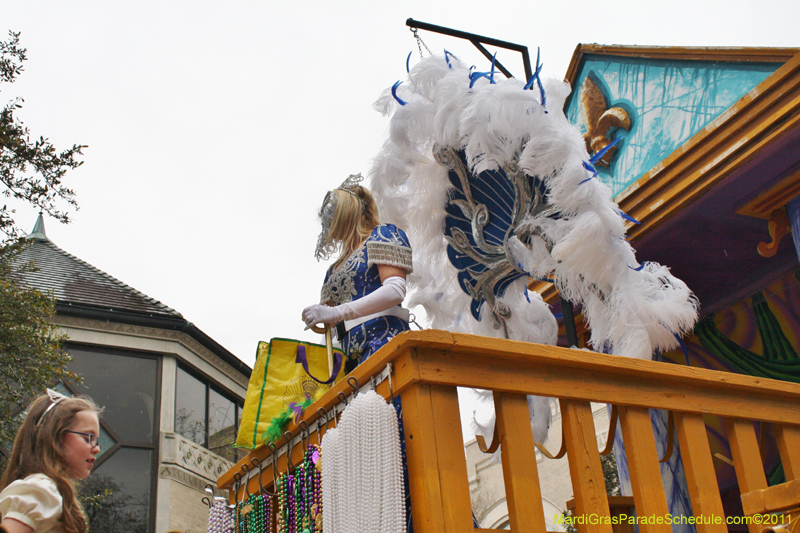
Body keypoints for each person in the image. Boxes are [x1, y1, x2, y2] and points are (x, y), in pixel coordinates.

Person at [302, 173, 413, 373]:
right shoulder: (333, 269)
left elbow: (396, 289)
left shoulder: (382, 234)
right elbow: (331, 329)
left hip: (382, 343)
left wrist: (336, 312)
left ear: (347, 211)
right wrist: (323, 368)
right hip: (346, 363)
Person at [0, 389, 101, 533]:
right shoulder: (42, 488)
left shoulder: (48, 490)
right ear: (55, 438)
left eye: (97, 441)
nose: (96, 449)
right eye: (88, 438)